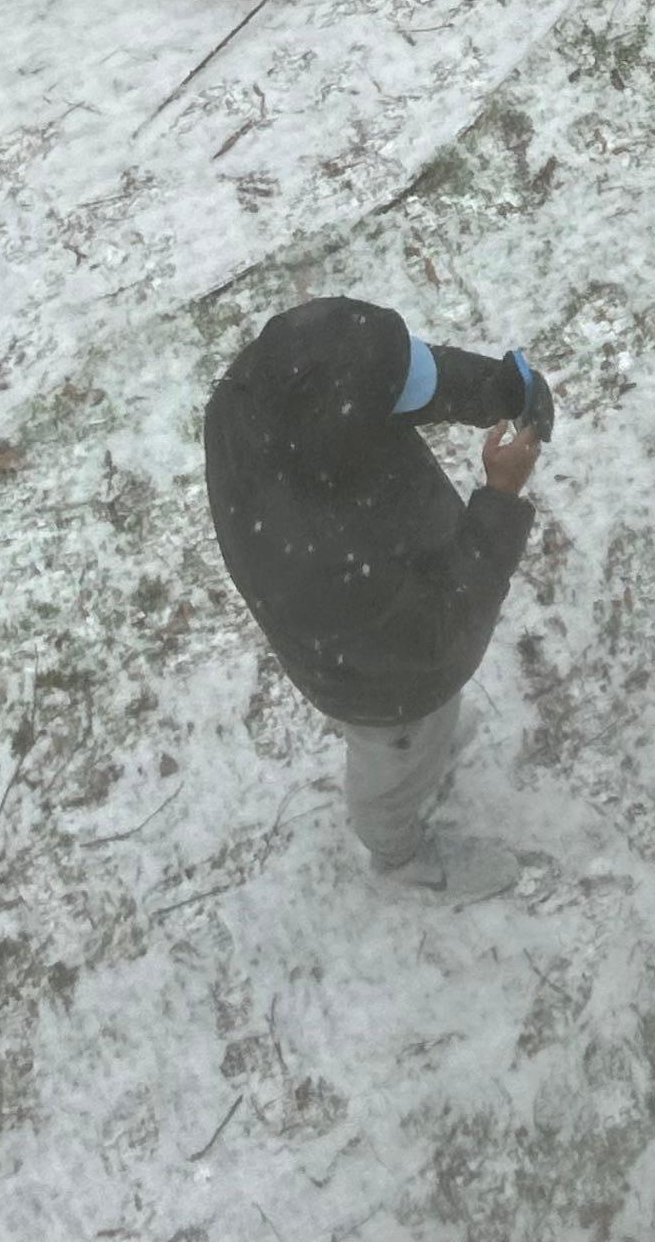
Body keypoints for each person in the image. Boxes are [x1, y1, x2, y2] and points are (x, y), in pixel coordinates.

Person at [203, 296, 555, 898]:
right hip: (382, 685)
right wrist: (499, 496)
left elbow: (396, 378)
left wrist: (500, 389)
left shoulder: (270, 392)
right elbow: (441, 629)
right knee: (393, 763)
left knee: (428, 734)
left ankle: (428, 747)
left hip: (390, 588)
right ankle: (400, 860)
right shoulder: (322, 566)